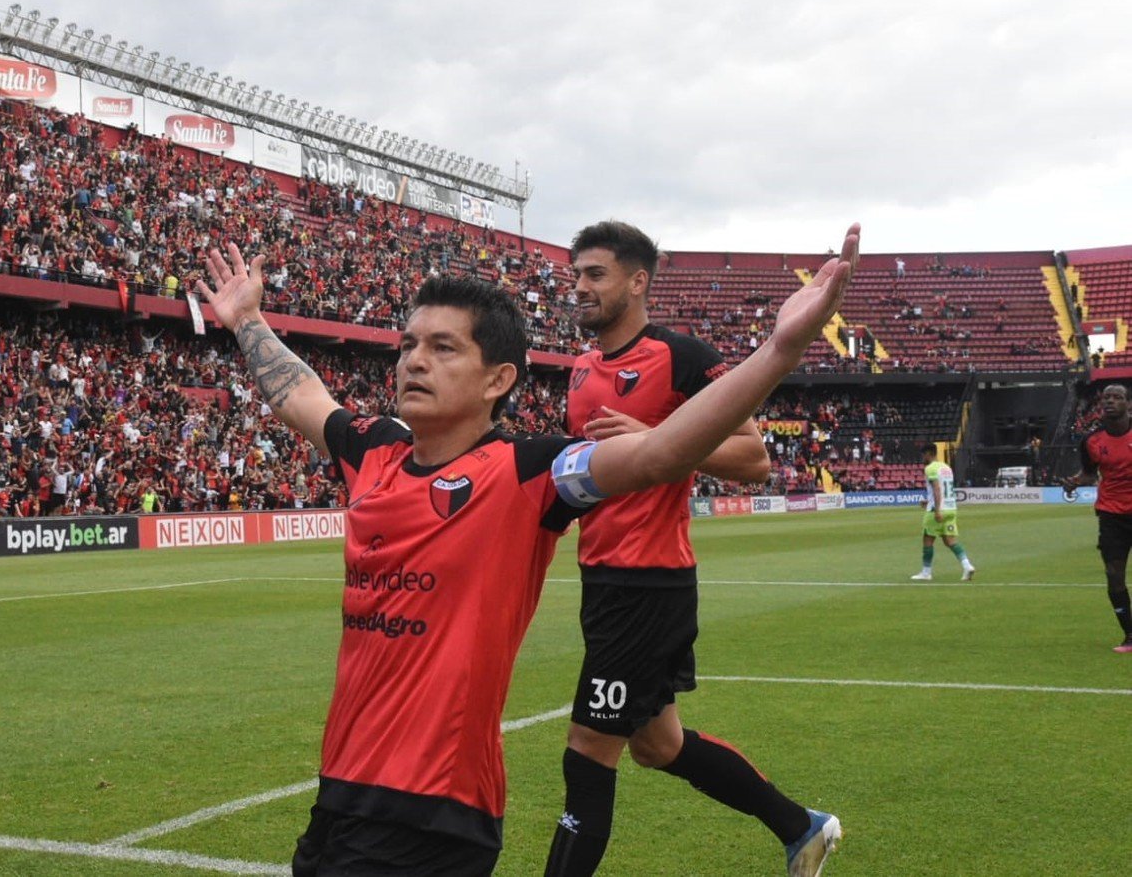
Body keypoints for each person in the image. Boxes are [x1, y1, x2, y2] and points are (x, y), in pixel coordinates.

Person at [197, 225, 858, 875]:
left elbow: (660, 452)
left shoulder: (527, 472)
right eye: (407, 345)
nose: (414, 361)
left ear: (498, 379)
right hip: (340, 797)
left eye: (443, 347)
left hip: (431, 814)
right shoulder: (371, 450)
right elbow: (300, 394)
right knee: (659, 744)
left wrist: (777, 351)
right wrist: (246, 320)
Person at [544, 221, 838, 877]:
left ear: (637, 280)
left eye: (595, 274)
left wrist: (659, 436)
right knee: (657, 743)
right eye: (575, 275)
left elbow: (753, 457)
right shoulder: (581, 369)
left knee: (588, 747)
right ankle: (801, 827)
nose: (580, 287)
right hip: (603, 579)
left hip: (648, 584)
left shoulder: (681, 356)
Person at [1062, 383, 1132, 652]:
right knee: (1114, 574)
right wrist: (1075, 481)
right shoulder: (1091, 441)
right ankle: (1129, 634)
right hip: (1112, 514)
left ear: (1128, 404)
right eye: (1107, 398)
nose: (1111, 402)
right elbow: (1090, 474)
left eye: (1118, 397)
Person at [910, 442, 975, 581]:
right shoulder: (947, 467)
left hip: (938, 510)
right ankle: (967, 565)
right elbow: (946, 490)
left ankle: (926, 573)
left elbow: (937, 489)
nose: (922, 458)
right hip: (951, 508)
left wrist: (937, 509)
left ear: (928, 453)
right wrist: (928, 501)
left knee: (927, 540)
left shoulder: (930, 468)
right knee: (950, 541)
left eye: (923, 455)